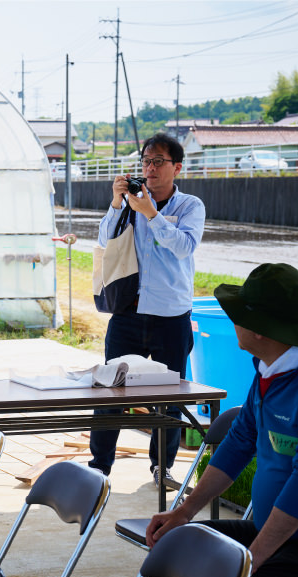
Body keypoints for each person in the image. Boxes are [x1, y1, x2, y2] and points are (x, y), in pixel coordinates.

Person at [145, 263, 298, 577]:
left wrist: (253, 559)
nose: (231, 319)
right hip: (274, 535)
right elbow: (237, 445)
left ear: (263, 330)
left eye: (238, 314)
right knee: (174, 553)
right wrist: (184, 513)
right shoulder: (270, 367)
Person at [88, 132, 205, 486]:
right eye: (146, 161)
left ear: (177, 167)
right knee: (110, 390)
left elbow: (184, 247)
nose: (150, 169)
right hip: (128, 312)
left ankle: (162, 466)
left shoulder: (190, 206)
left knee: (168, 397)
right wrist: (116, 203)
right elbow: (105, 241)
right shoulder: (131, 201)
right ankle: (99, 466)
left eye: (158, 162)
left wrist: (151, 214)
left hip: (171, 314)